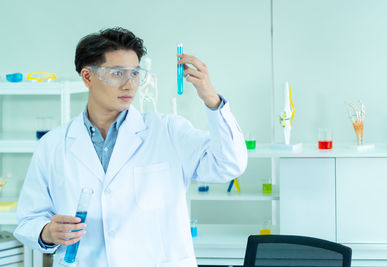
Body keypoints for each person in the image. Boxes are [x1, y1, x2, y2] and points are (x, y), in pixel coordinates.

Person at [14, 27, 247, 267]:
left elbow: (229, 164)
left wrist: (212, 101)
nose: (130, 85)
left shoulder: (168, 131)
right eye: (117, 73)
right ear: (87, 77)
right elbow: (28, 220)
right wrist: (47, 233)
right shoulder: (52, 145)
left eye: (135, 73)